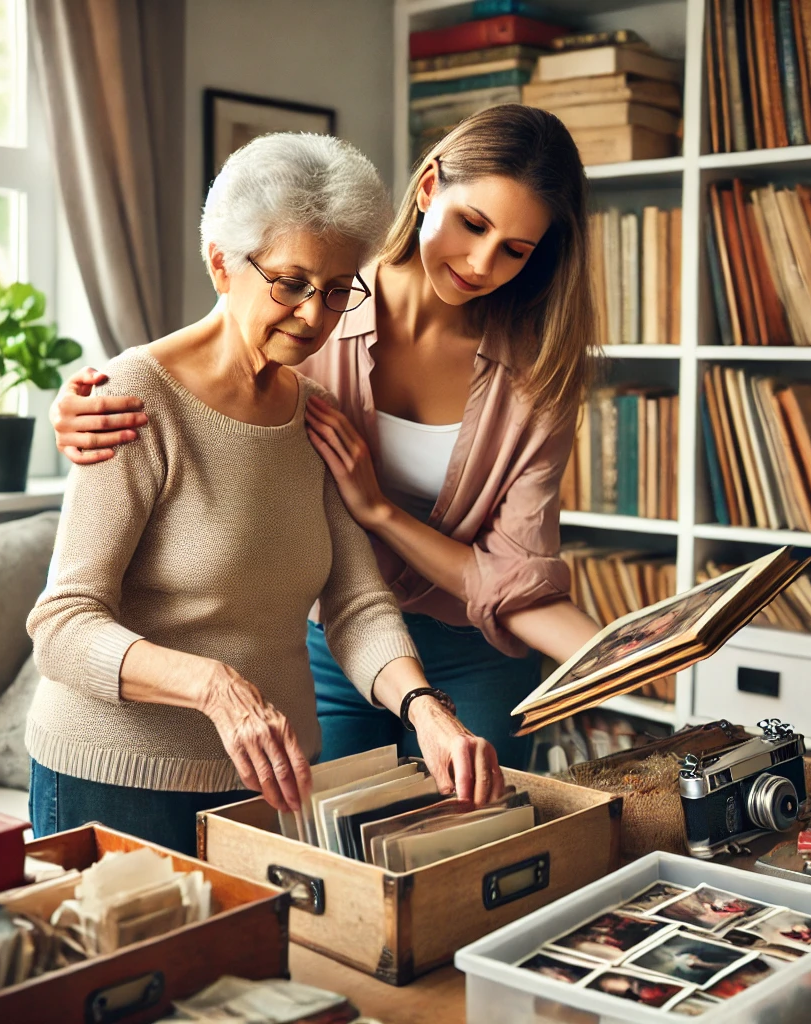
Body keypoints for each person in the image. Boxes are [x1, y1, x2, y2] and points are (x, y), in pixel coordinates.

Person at [48, 105, 602, 770]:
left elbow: (516, 581)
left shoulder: (537, 374)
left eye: (515, 250)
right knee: (331, 851)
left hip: (476, 649)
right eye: (473, 225)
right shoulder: (325, 297)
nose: (482, 263)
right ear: (429, 190)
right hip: (333, 639)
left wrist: (629, 657)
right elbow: (207, 368)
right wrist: (91, 398)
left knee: (465, 849)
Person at [25, 133, 503, 856]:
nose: (315, 315)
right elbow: (61, 625)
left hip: (268, 785)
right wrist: (213, 685)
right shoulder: (131, 399)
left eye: (340, 289)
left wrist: (425, 709)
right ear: (221, 262)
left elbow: (356, 605)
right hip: (115, 779)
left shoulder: (313, 413)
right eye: (291, 281)